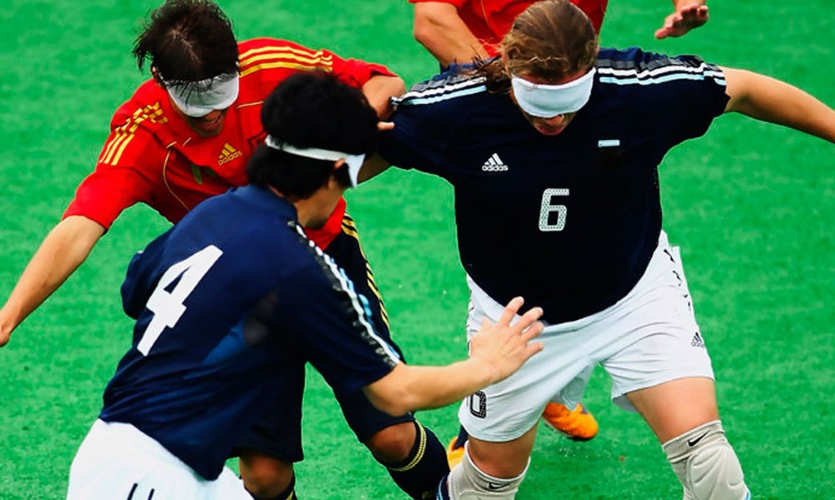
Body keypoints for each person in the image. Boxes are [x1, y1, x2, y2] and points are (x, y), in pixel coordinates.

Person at [365, 1, 835, 498]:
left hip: (634, 298)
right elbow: (364, 153)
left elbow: (746, 90)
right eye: (538, 105)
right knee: (487, 482)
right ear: (508, 65)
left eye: (567, 105)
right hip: (513, 322)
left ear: (592, 66)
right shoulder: (455, 106)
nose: (552, 122)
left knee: (710, 461)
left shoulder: (640, 88)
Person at [0, 1, 447, 498]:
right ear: (160, 81)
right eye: (196, 110)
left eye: (220, 102)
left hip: (321, 255)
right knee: (264, 476)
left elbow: (384, 82)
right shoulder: (141, 133)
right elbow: (80, 225)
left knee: (392, 436)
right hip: (239, 302)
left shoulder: (271, 64)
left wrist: (341, 138)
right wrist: (7, 316)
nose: (212, 119)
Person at [66, 71, 547, 499]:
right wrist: (487, 364)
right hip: (158, 481)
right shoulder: (296, 266)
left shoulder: (209, 215)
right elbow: (395, 394)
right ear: (338, 171)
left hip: (107, 454)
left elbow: (137, 289)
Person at [411, 0, 709, 68]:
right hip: (487, 75)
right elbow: (431, 22)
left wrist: (686, 5)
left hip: (577, 70)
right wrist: (504, 84)